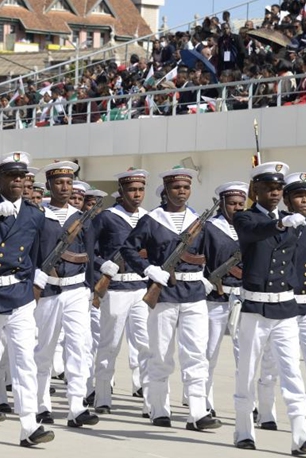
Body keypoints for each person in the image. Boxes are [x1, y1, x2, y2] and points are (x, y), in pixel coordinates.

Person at [232, 161, 306, 455]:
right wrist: (281, 223)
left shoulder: (292, 220)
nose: (274, 193)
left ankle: (300, 436)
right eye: (268, 188)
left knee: (291, 373)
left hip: (285, 307)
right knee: (247, 372)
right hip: (255, 308)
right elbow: (255, 234)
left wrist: (288, 222)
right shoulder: (245, 219)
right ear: (254, 190)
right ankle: (243, 430)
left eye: (278, 188)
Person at [122, 167, 221, 431]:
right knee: (161, 354)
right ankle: (159, 408)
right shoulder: (152, 220)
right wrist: (147, 269)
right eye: (176, 188)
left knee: (196, 354)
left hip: (194, 296)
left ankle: (197, 412)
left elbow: (213, 253)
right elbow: (128, 248)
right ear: (166, 191)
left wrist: (210, 277)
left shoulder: (199, 221)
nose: (181, 192)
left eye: (186, 188)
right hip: (164, 294)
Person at [0, 151, 54, 447]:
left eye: (22, 177)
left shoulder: (34, 214)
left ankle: (29, 426)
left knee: (24, 362)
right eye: (11, 176)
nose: (18, 181)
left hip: (19, 296)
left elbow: (38, 253)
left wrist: (36, 281)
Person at [256, 172, 306, 437]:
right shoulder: (277, 226)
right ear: (286, 198)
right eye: (298, 195)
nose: (305, 201)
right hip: (283, 303)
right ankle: (265, 411)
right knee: (273, 362)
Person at [32, 161, 98, 428]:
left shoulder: (81, 217)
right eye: (59, 182)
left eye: (69, 182)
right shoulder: (39, 215)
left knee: (78, 346)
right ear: (48, 186)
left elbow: (90, 255)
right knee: (45, 348)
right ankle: (40, 403)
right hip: (47, 291)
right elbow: (32, 252)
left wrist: (90, 289)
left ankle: (76, 406)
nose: (64, 187)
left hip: (76, 290)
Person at [91, 169, 150, 416]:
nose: (136, 195)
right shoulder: (106, 217)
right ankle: (103, 396)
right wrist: (101, 266)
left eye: (140, 190)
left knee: (147, 345)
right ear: (121, 192)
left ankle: (151, 400)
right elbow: (89, 250)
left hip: (142, 289)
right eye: (131, 190)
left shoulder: (150, 218)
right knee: (109, 344)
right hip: (115, 288)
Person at [201, 181, 248, 417]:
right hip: (215, 297)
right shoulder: (210, 228)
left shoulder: (250, 227)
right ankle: (204, 401)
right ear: (222, 204)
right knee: (209, 352)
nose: (237, 208)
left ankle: (248, 403)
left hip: (244, 297)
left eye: (241, 203)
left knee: (245, 354)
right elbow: (201, 257)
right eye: (232, 203)